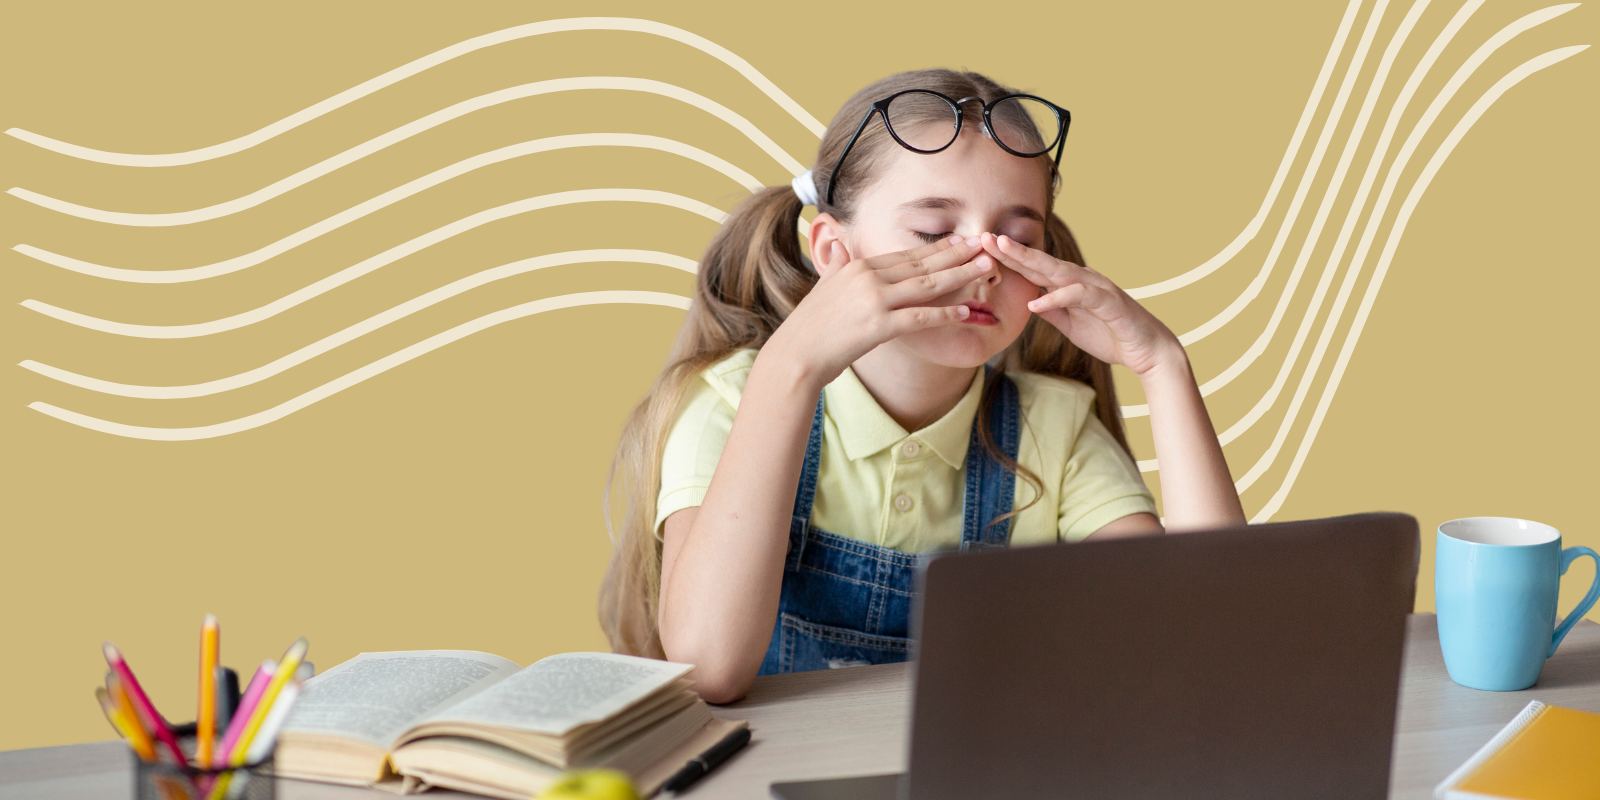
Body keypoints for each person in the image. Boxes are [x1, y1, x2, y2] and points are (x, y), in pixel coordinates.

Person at [600, 68, 1245, 703]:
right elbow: (708, 668)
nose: (984, 265)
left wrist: (1164, 367)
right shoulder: (732, 402)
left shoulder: (1055, 428)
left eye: (1018, 239)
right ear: (834, 253)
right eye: (935, 234)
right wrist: (789, 368)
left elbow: (1201, 640)